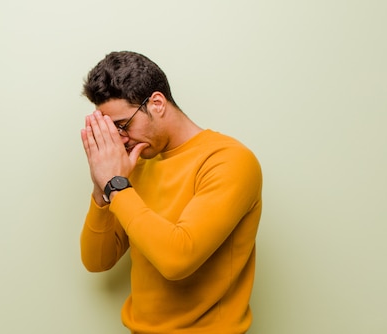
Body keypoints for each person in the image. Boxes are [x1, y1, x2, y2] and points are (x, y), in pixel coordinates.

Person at [79, 51, 263, 334]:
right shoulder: (134, 167)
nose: (120, 140)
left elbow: (177, 260)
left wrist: (115, 184)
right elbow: (96, 261)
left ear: (157, 103)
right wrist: (100, 187)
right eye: (111, 130)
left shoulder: (230, 161)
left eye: (122, 126)